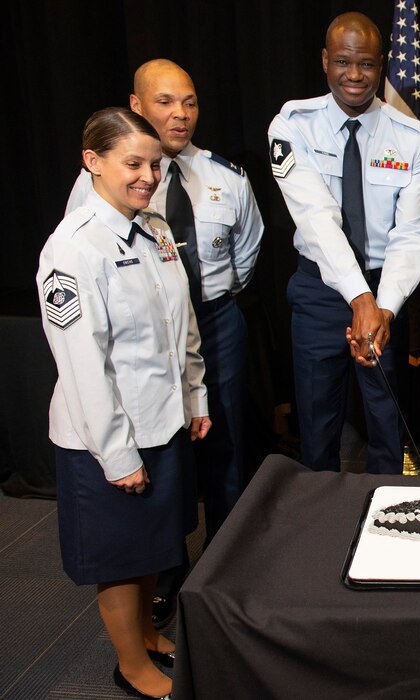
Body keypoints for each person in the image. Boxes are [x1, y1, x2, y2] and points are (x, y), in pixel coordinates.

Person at [66, 59, 265, 626]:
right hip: (135, 333)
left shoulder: (224, 174)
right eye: (165, 102)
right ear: (136, 105)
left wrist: (200, 310)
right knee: (155, 465)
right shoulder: (95, 191)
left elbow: (247, 252)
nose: (179, 114)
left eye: (190, 102)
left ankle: (225, 565)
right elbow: (88, 302)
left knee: (219, 442)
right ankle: (165, 576)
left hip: (211, 319)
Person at [39, 107, 210, 700]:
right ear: (93, 162)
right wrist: (116, 455)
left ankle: (144, 636)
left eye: (154, 164)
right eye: (132, 163)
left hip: (161, 422)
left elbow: (178, 322)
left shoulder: (157, 229)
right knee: (117, 555)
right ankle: (129, 665)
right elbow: (82, 365)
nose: (148, 176)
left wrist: (195, 394)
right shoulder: (73, 250)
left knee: (152, 543)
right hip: (106, 436)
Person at [268, 11, 420, 473]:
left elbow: (412, 236)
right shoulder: (292, 126)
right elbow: (317, 220)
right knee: (317, 418)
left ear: (382, 64)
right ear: (325, 61)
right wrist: (357, 297)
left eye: (366, 64)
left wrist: (380, 308)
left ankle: (385, 517)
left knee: (385, 418)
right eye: (343, 62)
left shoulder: (415, 140)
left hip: (387, 292)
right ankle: (320, 520)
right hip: (321, 290)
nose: (355, 75)